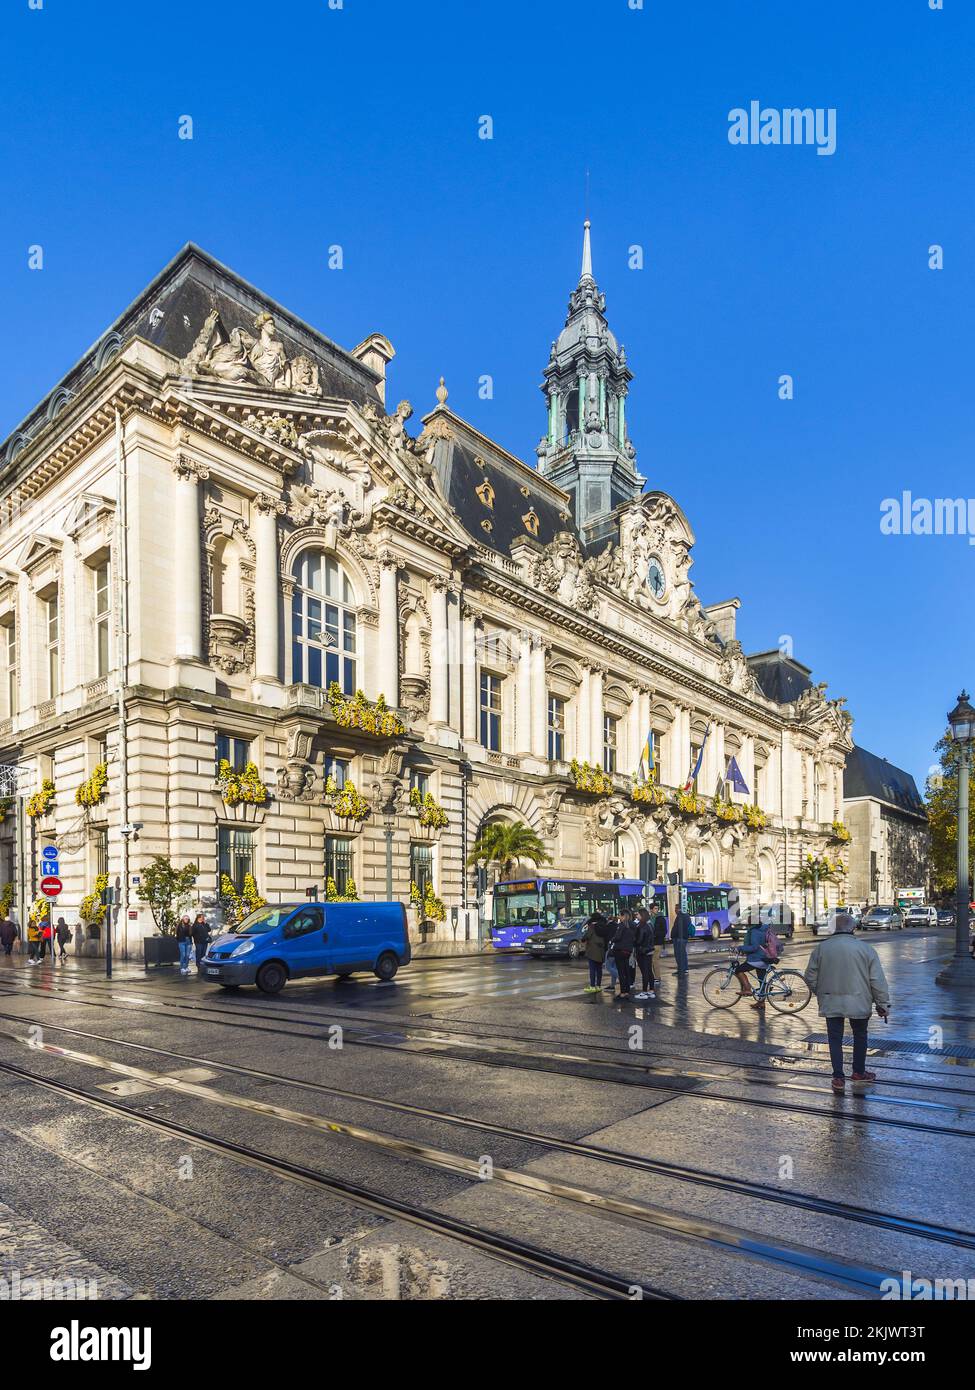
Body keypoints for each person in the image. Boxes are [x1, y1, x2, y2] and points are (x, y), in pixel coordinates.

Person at [804, 912, 890, 1093]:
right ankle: (858, 1072)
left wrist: (821, 992)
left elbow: (810, 976)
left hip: (831, 1000)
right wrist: (882, 1004)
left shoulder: (822, 948)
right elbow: (877, 980)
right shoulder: (866, 949)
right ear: (853, 928)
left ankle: (838, 1077)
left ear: (834, 928)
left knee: (834, 1038)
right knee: (860, 1035)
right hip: (859, 1001)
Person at [734, 912, 778, 1011]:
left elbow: (754, 947)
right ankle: (761, 1003)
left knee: (738, 970)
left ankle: (747, 989)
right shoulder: (764, 929)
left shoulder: (754, 931)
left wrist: (740, 948)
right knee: (761, 981)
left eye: (749, 919)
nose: (747, 921)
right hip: (764, 958)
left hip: (756, 959)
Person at [611, 913, 637, 1000]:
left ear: (623, 916)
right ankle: (627, 990)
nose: (618, 917)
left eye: (619, 915)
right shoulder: (633, 925)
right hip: (628, 950)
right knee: (627, 971)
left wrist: (612, 939)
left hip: (620, 950)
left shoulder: (622, 925)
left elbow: (617, 937)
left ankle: (623, 992)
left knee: (621, 972)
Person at [582, 912, 609, 993]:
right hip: (601, 950)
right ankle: (598, 986)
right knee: (599, 969)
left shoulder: (592, 926)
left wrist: (583, 939)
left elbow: (586, 936)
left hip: (592, 950)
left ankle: (592, 986)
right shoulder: (604, 925)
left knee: (592, 969)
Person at [633, 908, 656, 1000]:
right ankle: (651, 990)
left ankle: (644, 992)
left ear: (641, 915)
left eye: (638, 914)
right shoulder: (649, 925)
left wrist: (634, 941)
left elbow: (639, 940)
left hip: (642, 951)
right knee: (649, 971)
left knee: (644, 971)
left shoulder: (641, 926)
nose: (636, 915)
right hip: (649, 950)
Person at [671, 903, 694, 977]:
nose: (675, 910)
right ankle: (684, 969)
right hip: (680, 938)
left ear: (679, 909)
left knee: (679, 954)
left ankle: (682, 969)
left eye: (676, 909)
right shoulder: (682, 915)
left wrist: (676, 935)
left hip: (680, 938)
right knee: (682, 954)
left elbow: (681, 928)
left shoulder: (682, 916)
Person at [650, 903, 667, 988]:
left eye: (657, 908)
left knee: (655, 960)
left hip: (657, 942)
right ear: (651, 910)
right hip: (650, 943)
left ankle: (657, 977)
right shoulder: (649, 919)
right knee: (651, 961)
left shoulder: (661, 919)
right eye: (655, 908)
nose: (656, 910)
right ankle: (653, 977)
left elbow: (664, 931)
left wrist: (655, 935)